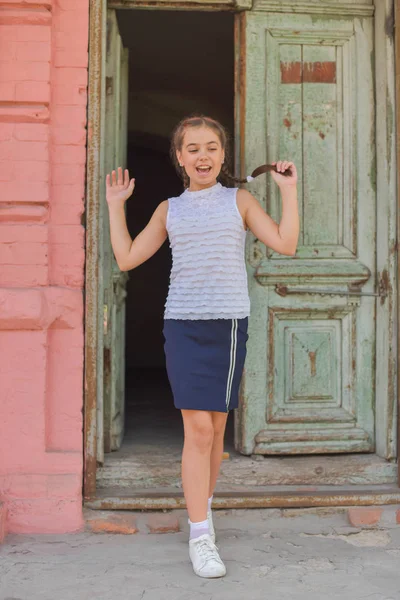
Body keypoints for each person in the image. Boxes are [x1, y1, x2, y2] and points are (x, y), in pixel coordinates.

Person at [106, 115, 299, 579]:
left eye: (211, 147)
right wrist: (116, 205)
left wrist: (289, 191)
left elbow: (286, 244)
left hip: (229, 325)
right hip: (183, 326)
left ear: (222, 155)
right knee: (197, 431)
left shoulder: (241, 200)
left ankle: (202, 510)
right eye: (192, 148)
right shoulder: (169, 210)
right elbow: (127, 257)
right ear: (179, 157)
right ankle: (200, 536)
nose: (202, 156)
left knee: (214, 431)